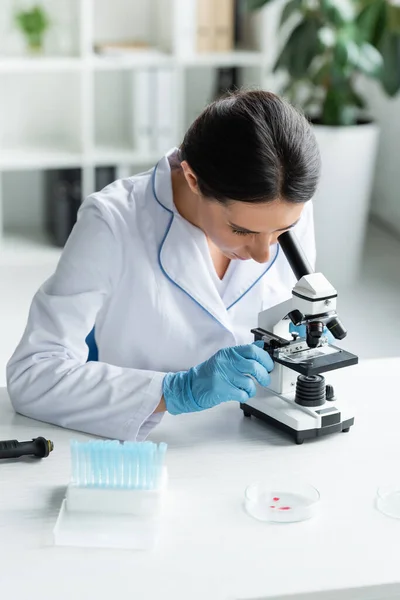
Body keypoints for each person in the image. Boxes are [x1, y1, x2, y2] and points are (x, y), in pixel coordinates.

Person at [7, 90, 320, 441]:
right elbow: (33, 376)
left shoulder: (284, 204)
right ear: (192, 180)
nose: (265, 253)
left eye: (281, 231)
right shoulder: (112, 221)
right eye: (241, 230)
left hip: (255, 435)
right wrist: (176, 390)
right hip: (152, 442)